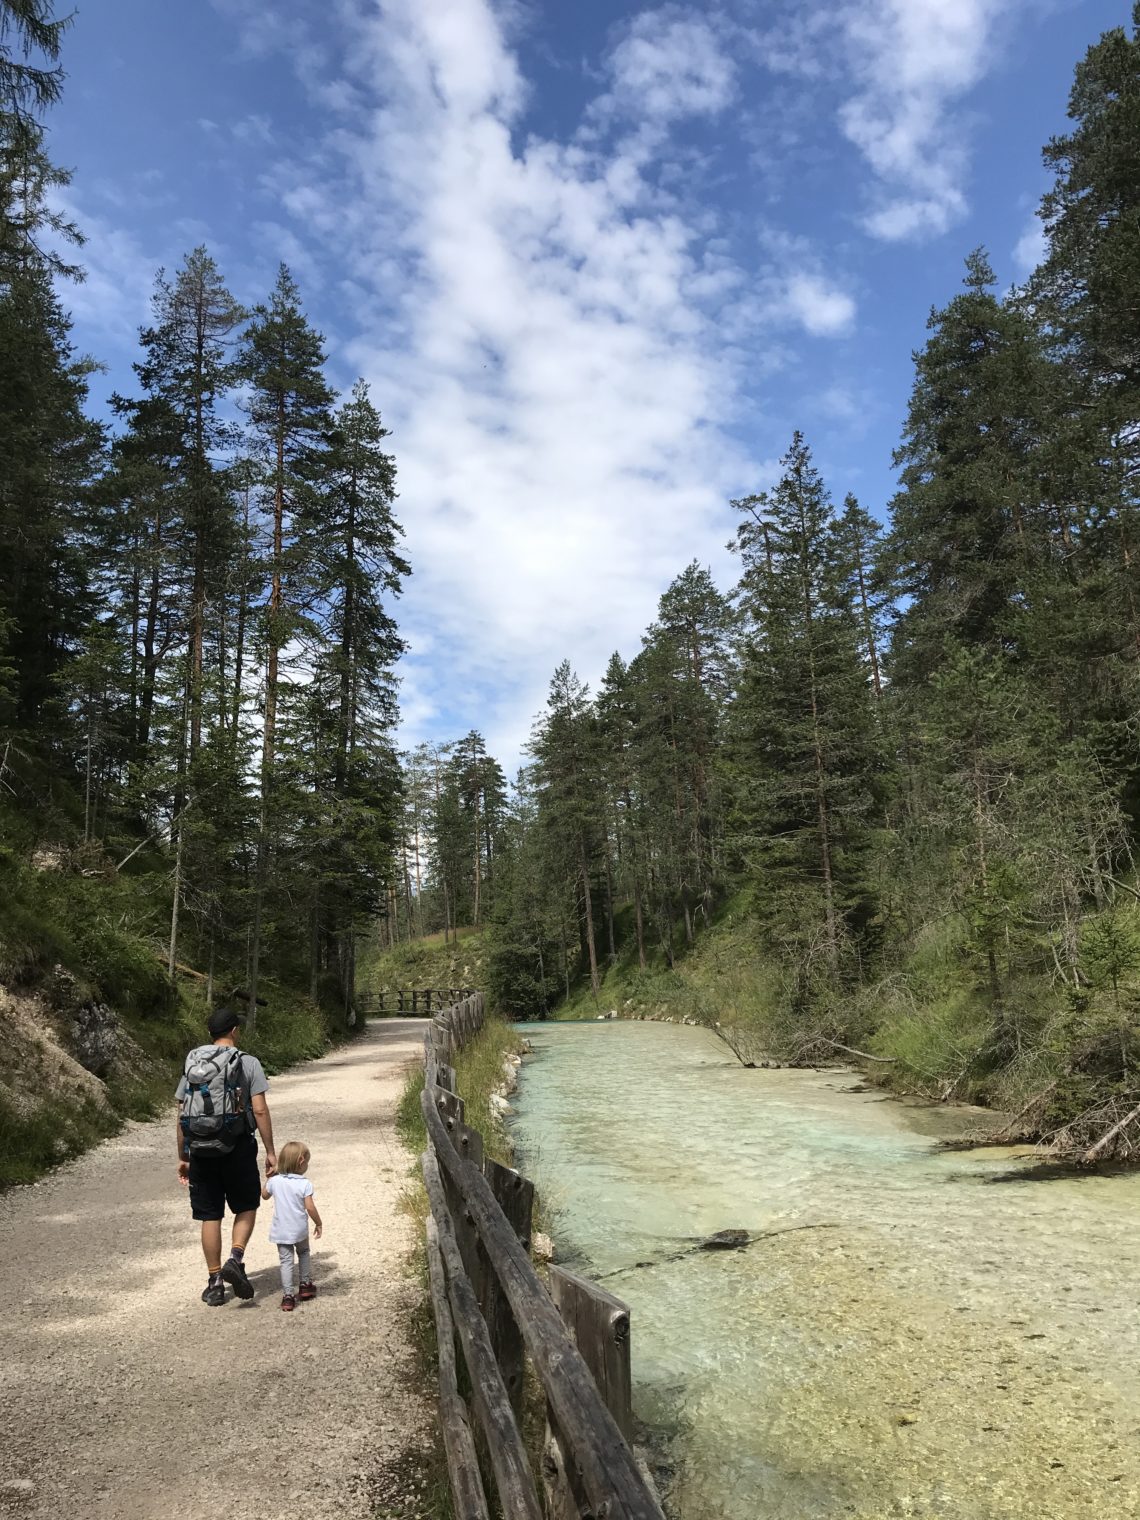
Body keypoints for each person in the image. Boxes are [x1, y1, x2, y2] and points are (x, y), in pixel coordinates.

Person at [176, 1006, 276, 1307]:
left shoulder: (193, 1062)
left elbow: (182, 1111)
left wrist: (184, 1155)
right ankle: (236, 1256)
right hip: (236, 1145)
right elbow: (259, 1109)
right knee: (246, 1205)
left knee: (210, 1215)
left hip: (201, 1148)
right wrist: (271, 1151)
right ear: (234, 1031)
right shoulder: (247, 1062)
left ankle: (215, 1281)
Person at [262, 1140, 323, 1312]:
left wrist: (269, 1177)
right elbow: (309, 1207)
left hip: (281, 1230)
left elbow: (264, 1195)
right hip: (299, 1230)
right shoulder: (304, 1183)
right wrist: (318, 1223)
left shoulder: (275, 1181)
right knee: (303, 1252)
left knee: (286, 1261)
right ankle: (304, 1285)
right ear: (301, 1161)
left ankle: (288, 1296)